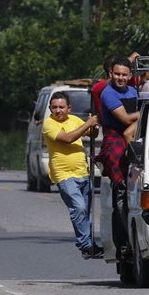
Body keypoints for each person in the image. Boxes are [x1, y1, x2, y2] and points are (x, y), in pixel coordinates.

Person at [42, 92, 102, 259]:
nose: (58, 110)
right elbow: (68, 138)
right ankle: (85, 245)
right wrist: (88, 124)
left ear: (69, 108)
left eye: (61, 107)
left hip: (83, 172)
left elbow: (92, 134)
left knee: (87, 211)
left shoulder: (75, 120)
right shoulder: (49, 125)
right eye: (54, 107)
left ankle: (90, 245)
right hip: (64, 175)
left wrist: (93, 126)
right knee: (78, 208)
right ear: (50, 109)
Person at [95, 56, 139, 256]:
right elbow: (126, 118)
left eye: (124, 75)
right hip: (115, 142)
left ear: (130, 75)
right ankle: (126, 241)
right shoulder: (108, 94)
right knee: (121, 190)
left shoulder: (134, 90)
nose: (121, 78)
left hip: (135, 138)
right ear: (111, 74)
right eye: (117, 74)